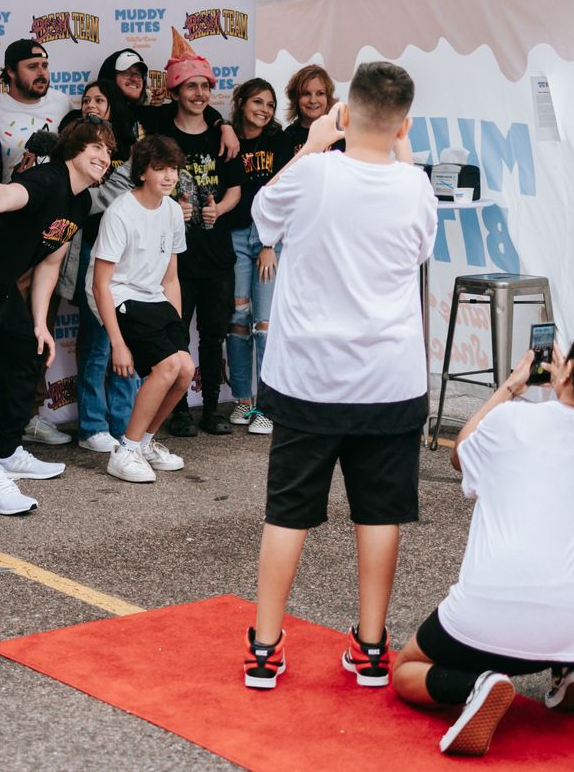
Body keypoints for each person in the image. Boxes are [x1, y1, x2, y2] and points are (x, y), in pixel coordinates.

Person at [243, 62, 432, 693]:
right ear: (404, 123)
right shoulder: (417, 187)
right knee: (380, 513)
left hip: (310, 375)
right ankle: (373, 647)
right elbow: (420, 249)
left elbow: (264, 217)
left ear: (344, 114)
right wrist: (402, 153)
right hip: (389, 378)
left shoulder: (314, 173)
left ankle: (265, 649)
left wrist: (311, 145)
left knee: (287, 511)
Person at [387, 314, 574, 757]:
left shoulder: (510, 421)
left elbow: (461, 456)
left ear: (566, 370)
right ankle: (573, 668)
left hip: (494, 618)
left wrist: (510, 387)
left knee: (408, 670)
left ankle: (478, 684)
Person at [0, 117, 116, 517]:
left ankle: (8, 449)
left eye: (109, 151)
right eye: (95, 147)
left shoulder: (80, 201)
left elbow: (50, 261)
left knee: (26, 351)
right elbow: (7, 196)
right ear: (74, 150)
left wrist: (41, 322)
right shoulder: (48, 179)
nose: (104, 156)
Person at [150, 39, 241, 436]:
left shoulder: (223, 138)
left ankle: (211, 411)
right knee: (175, 336)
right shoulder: (158, 134)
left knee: (213, 336)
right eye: (191, 86)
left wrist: (218, 208)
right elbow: (145, 184)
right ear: (175, 91)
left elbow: (235, 188)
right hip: (176, 260)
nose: (200, 93)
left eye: (205, 86)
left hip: (217, 256)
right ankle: (179, 412)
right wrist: (172, 207)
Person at [93, 134, 193, 483]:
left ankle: (146, 442)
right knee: (166, 367)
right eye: (159, 169)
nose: (168, 177)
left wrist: (176, 325)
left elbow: (171, 277)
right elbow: (101, 283)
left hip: (155, 299)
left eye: (173, 169)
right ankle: (126, 450)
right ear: (141, 173)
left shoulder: (172, 210)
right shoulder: (120, 212)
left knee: (184, 369)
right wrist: (118, 344)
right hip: (122, 296)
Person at [58, 80, 141, 453]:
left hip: (129, 253)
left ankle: (125, 425)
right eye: (86, 99)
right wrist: (124, 179)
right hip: (92, 250)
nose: (92, 104)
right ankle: (93, 427)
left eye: (100, 99)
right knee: (99, 341)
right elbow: (90, 201)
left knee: (129, 340)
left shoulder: (131, 144)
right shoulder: (72, 145)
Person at [223, 78, 290, 434]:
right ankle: (242, 400)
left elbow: (281, 193)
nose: (263, 110)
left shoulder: (278, 140)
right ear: (242, 102)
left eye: (269, 104)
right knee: (238, 315)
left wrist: (268, 242)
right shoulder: (228, 136)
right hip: (234, 235)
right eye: (258, 102)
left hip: (266, 240)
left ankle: (266, 405)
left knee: (264, 323)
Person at [0, 38, 73, 180]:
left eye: (45, 66)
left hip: (57, 198)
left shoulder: (62, 102)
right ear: (11, 71)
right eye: (32, 67)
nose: (41, 73)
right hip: (12, 198)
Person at [279, 64, 334, 154]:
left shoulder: (340, 133)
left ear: (328, 97)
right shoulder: (288, 136)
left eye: (320, 93)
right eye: (306, 94)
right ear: (296, 99)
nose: (313, 100)